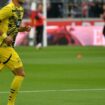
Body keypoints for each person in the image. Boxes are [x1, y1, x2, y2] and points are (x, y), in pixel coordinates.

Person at [0, 0, 31, 105]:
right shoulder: (8, 8)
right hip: (3, 46)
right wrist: (4, 37)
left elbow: (14, 28)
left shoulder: (20, 10)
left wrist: (23, 29)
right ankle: (11, 103)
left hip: (6, 46)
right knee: (20, 73)